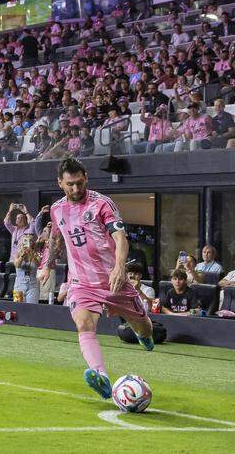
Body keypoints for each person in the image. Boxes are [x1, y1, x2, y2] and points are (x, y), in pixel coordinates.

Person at [46, 157, 154, 400]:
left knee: (144, 327)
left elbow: (120, 238)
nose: (76, 189)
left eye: (80, 183)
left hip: (113, 280)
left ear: (86, 178)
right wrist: (46, 264)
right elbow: (55, 239)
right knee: (83, 324)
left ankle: (143, 334)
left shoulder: (102, 204)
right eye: (70, 184)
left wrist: (119, 267)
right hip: (81, 282)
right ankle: (102, 378)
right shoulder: (56, 209)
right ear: (60, 184)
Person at [11, 237, 41, 303]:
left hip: (32, 286)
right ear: (20, 244)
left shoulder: (36, 254)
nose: (26, 244)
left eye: (29, 242)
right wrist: (22, 256)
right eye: (24, 242)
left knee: (32, 308)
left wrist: (31, 253)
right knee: (18, 308)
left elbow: (38, 264)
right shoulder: (17, 255)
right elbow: (17, 265)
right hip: (19, 286)